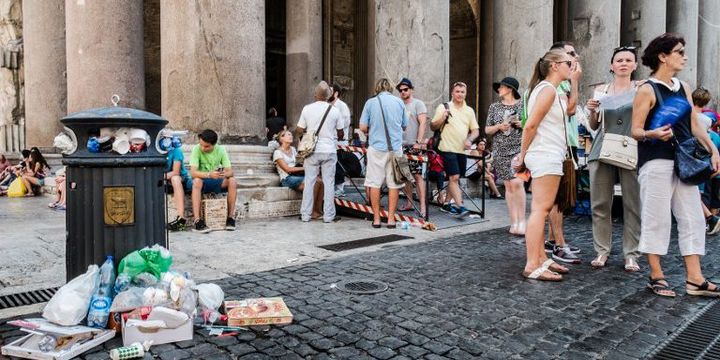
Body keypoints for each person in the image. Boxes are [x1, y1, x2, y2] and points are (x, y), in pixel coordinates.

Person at [631, 33, 720, 297]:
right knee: (656, 218)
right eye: (680, 52)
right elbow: (635, 130)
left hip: (683, 162)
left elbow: (693, 123)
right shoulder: (647, 89)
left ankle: (695, 279)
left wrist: (713, 149)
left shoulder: (683, 87)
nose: (685, 56)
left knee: (693, 217)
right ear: (663, 56)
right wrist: (652, 134)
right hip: (655, 160)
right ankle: (656, 275)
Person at [515, 48, 575, 281]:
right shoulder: (548, 89)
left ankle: (540, 258)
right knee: (540, 209)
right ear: (554, 66)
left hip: (546, 153)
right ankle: (532, 264)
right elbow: (530, 125)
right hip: (545, 154)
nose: (571, 66)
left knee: (543, 209)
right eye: (568, 62)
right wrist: (522, 155)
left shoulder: (547, 89)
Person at [585, 46, 642, 271]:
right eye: (619, 60)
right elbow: (594, 125)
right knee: (600, 203)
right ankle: (602, 251)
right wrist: (591, 110)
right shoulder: (601, 89)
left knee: (632, 204)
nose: (624, 63)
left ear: (635, 65)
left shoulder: (641, 88)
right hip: (602, 149)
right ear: (612, 65)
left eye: (629, 60)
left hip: (631, 148)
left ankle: (631, 254)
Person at [544, 42, 583, 264]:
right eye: (570, 56)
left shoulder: (562, 84)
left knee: (562, 198)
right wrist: (575, 81)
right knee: (556, 199)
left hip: (568, 143)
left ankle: (552, 240)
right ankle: (559, 245)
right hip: (556, 146)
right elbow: (570, 110)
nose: (574, 59)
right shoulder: (552, 86)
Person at [359, 78, 409, 228]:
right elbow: (405, 126)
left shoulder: (370, 103)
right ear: (390, 89)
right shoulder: (399, 102)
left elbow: (362, 127)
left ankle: (376, 219)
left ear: (377, 89)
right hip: (396, 149)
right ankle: (391, 219)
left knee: (375, 183)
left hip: (376, 148)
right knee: (394, 185)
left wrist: (372, 129)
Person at [430, 81, 480, 218]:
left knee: (456, 179)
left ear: (465, 94)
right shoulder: (444, 107)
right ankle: (460, 206)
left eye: (462, 92)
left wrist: (470, 140)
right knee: (454, 177)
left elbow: (475, 130)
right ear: (452, 93)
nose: (460, 94)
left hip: (461, 150)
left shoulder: (469, 111)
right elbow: (432, 126)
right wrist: (442, 118)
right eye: (457, 91)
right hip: (446, 147)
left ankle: (446, 204)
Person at [296, 81, 343, 223]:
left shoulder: (307, 108)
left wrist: (308, 134)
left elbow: (299, 129)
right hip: (329, 149)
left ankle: (305, 215)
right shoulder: (335, 110)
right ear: (329, 96)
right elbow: (340, 133)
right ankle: (328, 216)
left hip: (312, 151)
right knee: (329, 183)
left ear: (315, 95)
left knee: (309, 182)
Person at [485, 76, 526, 235]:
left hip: (519, 148)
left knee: (518, 183)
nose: (499, 89)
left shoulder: (523, 105)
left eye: (501, 87)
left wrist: (520, 124)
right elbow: (487, 129)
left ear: (510, 89)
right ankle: (514, 221)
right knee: (508, 185)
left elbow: (531, 124)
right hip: (500, 149)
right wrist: (499, 126)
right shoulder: (494, 107)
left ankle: (522, 221)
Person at [189, 129, 238, 233]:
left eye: (206, 146)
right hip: (201, 182)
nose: (203, 148)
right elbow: (193, 173)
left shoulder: (221, 150)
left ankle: (230, 218)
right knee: (197, 181)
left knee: (232, 181)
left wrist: (222, 174)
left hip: (216, 180)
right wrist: (208, 174)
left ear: (214, 144)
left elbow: (230, 172)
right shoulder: (196, 149)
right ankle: (197, 220)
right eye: (201, 145)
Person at [272, 129, 325, 218]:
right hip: (287, 178)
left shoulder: (293, 149)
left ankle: (318, 211)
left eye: (291, 135)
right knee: (315, 182)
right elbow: (287, 169)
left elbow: (300, 161)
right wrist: (305, 168)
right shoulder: (277, 153)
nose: (291, 136)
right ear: (281, 139)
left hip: (298, 176)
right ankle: (311, 212)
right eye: (288, 135)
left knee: (320, 181)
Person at [396, 77, 429, 218]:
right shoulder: (398, 104)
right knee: (405, 176)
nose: (403, 92)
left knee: (417, 175)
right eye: (400, 90)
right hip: (401, 145)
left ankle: (423, 206)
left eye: (405, 89)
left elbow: (423, 123)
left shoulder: (418, 104)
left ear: (411, 89)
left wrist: (418, 141)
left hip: (414, 145)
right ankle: (409, 203)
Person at [691, 87, 720, 234]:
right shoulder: (708, 120)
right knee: (701, 192)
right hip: (705, 160)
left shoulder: (691, 117)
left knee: (694, 192)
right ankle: (709, 219)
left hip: (693, 158)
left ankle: (705, 221)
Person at [165, 138, 193, 231]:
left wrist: (159, 176)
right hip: (164, 180)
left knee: (175, 178)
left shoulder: (176, 151)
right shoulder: (155, 151)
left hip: (180, 179)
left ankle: (181, 217)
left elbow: (176, 172)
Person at [331, 83, 353, 197]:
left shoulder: (342, 106)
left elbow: (345, 123)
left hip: (339, 140)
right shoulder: (327, 105)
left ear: (336, 93)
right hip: (330, 140)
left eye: (330, 90)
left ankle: (339, 188)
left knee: (338, 164)